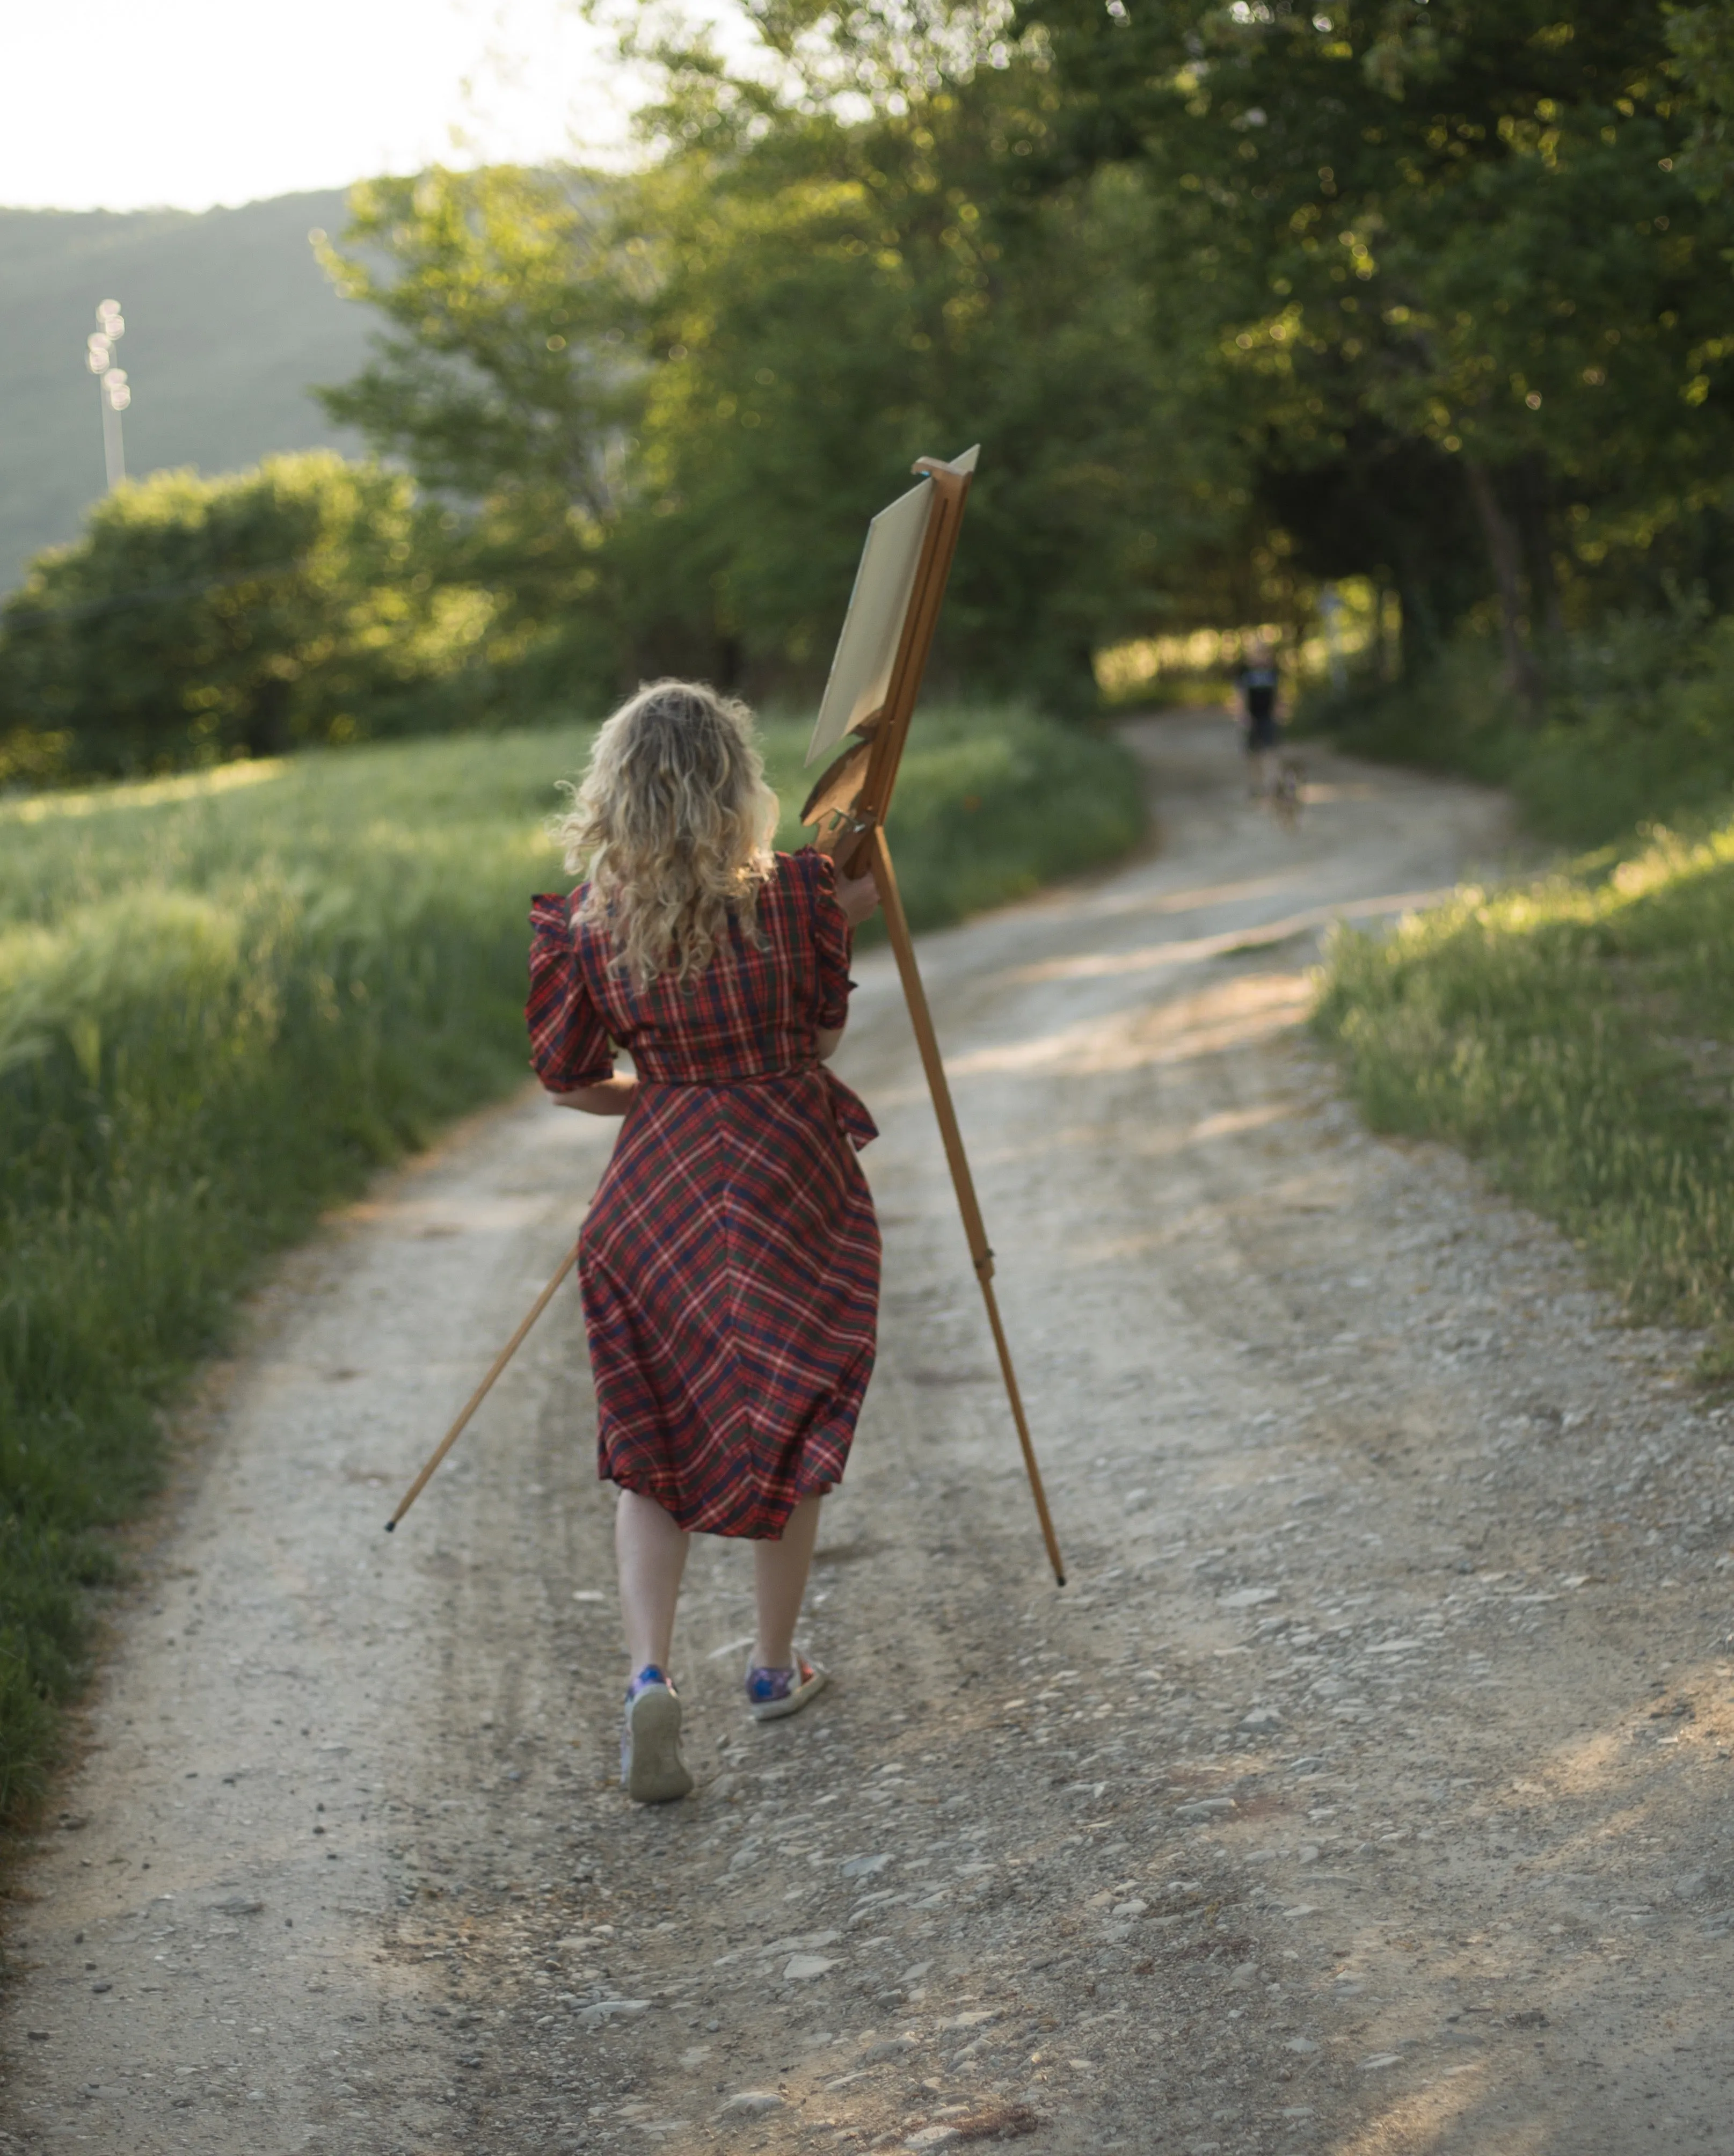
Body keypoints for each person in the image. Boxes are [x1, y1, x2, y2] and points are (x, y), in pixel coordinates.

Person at [526, 680, 882, 1804]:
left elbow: (566, 1076)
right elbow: (822, 1030)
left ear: (613, 793)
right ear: (736, 783)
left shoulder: (594, 924)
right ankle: (773, 1668)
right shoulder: (796, 897)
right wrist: (846, 906)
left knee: (651, 1439)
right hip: (791, 1177)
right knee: (798, 1401)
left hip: (654, 1191)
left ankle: (648, 1673)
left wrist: (668, 1091)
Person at [1235, 642, 1282, 797]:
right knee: (1253, 754)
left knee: (1270, 752)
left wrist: (1279, 710)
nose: (1261, 657)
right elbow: (1241, 696)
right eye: (1258, 654)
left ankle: (1272, 785)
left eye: (1264, 653)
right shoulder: (1245, 673)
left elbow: (1278, 694)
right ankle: (1256, 786)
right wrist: (1243, 715)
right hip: (1252, 716)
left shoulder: (1273, 673)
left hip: (1268, 716)